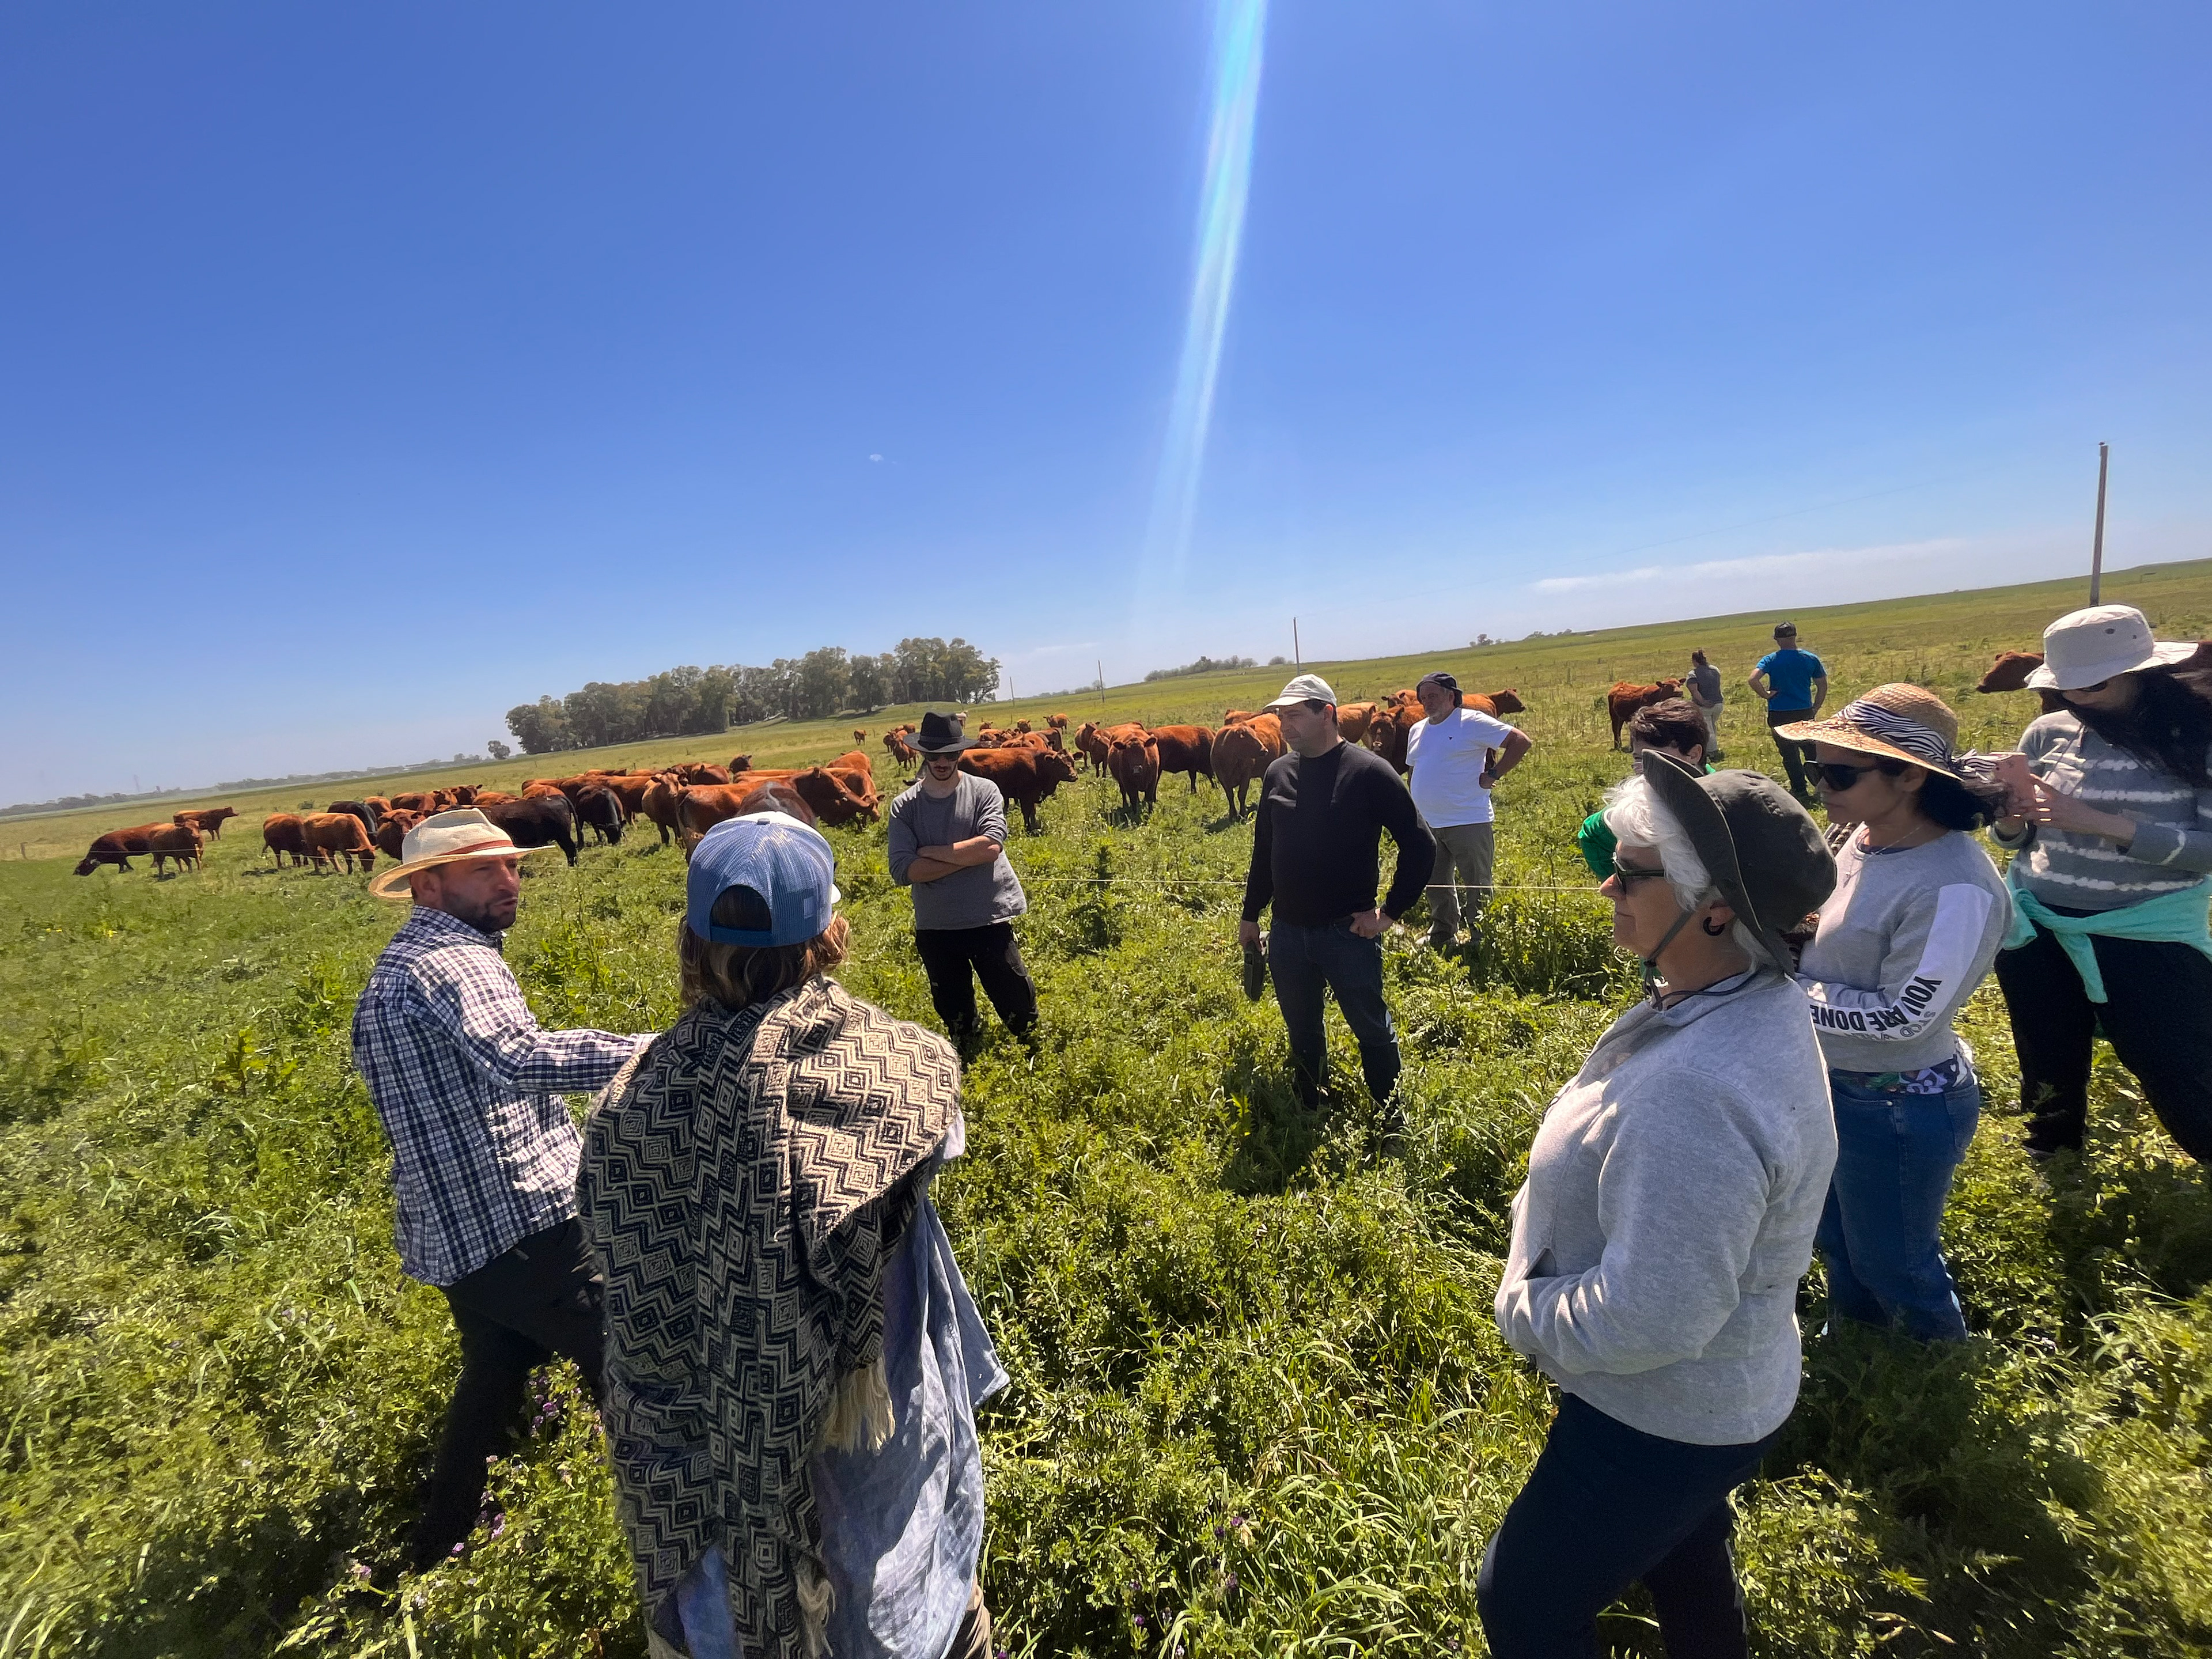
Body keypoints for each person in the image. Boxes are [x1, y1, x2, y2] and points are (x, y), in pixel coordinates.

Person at [578, 812, 1005, 1659]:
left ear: (691, 945)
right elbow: (935, 1150)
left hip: (697, 1438)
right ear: (830, 934)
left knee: (723, 1597)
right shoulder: (904, 1066)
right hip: (866, 1412)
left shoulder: (627, 1100)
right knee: (893, 1562)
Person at [1480, 753, 1836, 1659]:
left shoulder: (1699, 1088)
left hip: (1662, 1410)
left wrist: (1523, 1311)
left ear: (1714, 907)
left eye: (1632, 871)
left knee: (1521, 1600)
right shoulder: (1735, 1001)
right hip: (1714, 1394)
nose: (1608, 883)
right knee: (1684, 1546)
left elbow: (1656, 1316)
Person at [352, 809, 652, 1573]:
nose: (509, 881)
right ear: (428, 884)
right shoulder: (455, 960)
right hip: (525, 1221)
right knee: (636, 1366)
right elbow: (520, 1056)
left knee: (493, 1375)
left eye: (511, 866)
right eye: (484, 870)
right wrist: (667, 1053)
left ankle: (435, 1547)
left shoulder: (405, 963)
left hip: (462, 1235)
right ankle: (682, 1538)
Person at [1774, 685, 2012, 1342]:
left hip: (1895, 1105)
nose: (1822, 785)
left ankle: (1933, 1387)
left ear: (1911, 776)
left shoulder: (1954, 884)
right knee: (1837, 1240)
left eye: (1841, 774)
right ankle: (1857, 1346)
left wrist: (1780, 995)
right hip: (1834, 1086)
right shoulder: (1862, 836)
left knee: (1896, 1262)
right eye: (1818, 768)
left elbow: (1905, 1016)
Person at [1987, 604, 2212, 1162]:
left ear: (2141, 670)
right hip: (2038, 926)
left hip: (2146, 932)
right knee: (2048, 1057)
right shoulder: (2047, 731)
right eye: (2068, 683)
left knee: (2179, 1063)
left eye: (2095, 682)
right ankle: (2054, 1157)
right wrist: (2013, 816)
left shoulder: (2199, 737)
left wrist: (2099, 823)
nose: (2078, 695)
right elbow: (2017, 841)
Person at [1237, 673, 1435, 1123]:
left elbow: (1420, 844)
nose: (1284, 725)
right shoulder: (1278, 772)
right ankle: (1311, 1108)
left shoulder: (1368, 771)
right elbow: (1264, 850)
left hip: (1347, 933)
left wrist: (1388, 913)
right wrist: (1251, 915)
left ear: (1327, 714)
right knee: (1302, 1028)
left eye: (1293, 715)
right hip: (1288, 934)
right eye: (1280, 715)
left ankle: (1390, 1120)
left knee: (1371, 1029)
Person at [886, 710, 1037, 1054]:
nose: (942, 762)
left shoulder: (985, 790)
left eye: (950, 754)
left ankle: (1031, 1048)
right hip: (937, 924)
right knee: (954, 1009)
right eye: (934, 755)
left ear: (960, 754)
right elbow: (903, 871)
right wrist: (962, 857)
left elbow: (990, 847)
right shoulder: (904, 807)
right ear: (922, 754)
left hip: (989, 915)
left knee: (1014, 996)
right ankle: (968, 1052)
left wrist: (931, 853)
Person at [1404, 669, 1533, 952]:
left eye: (1433, 696)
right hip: (1428, 822)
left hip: (1467, 819)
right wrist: (1415, 804)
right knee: (1435, 882)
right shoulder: (1417, 730)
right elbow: (1414, 769)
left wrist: (1494, 774)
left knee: (1476, 882)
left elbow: (1521, 742)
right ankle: (1443, 932)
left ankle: (1482, 939)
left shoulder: (1472, 722)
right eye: (1423, 697)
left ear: (1452, 697)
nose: (1427, 702)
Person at [1576, 697, 1709, 878]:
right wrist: (1626, 886)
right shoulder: (1643, 803)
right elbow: (1591, 834)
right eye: (1638, 759)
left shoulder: (1726, 796)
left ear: (1693, 754)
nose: (1642, 769)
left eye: (1654, 759)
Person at [1747, 622, 1828, 802]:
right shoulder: (1810, 658)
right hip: (1804, 711)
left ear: (1777, 639)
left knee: (1789, 754)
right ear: (1795, 637)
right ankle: (1822, 789)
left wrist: (1766, 695)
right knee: (1811, 752)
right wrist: (1816, 707)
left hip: (1780, 713)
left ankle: (1800, 790)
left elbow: (1753, 679)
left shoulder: (1770, 660)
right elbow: (1822, 685)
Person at [1687, 648, 1725, 759]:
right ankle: (1711, 747)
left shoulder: (1693, 674)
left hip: (1705, 706)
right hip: (1718, 703)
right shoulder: (1715, 670)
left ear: (1695, 660)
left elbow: (1695, 691)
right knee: (1712, 726)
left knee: (1707, 729)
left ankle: (1711, 751)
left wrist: (1703, 702)